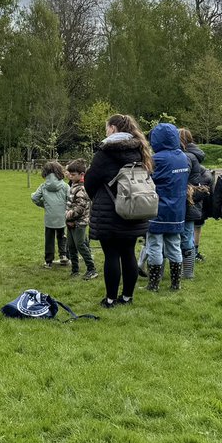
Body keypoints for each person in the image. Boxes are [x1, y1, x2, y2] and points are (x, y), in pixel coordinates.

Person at [85, 113, 153, 308]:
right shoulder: (140, 150)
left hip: (110, 210)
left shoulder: (105, 152)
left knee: (112, 255)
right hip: (135, 208)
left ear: (113, 128)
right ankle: (127, 297)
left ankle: (110, 299)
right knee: (128, 253)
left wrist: (98, 197)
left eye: (107, 127)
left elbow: (90, 182)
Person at [142, 122, 190, 291]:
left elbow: (146, 180)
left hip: (157, 208)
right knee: (174, 245)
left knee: (154, 245)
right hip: (177, 210)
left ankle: (153, 284)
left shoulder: (156, 159)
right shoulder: (183, 157)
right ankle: (176, 284)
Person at [179, 128, 209, 280]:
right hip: (193, 202)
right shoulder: (196, 156)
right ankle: (187, 272)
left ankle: (186, 271)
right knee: (188, 236)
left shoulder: (186, 157)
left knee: (182, 238)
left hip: (186, 201)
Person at [32, 160, 70, 268]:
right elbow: (70, 199)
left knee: (49, 239)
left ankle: (48, 261)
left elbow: (34, 198)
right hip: (62, 216)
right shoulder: (65, 186)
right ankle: (63, 256)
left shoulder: (43, 186)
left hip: (49, 217)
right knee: (62, 236)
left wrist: (44, 204)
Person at [65, 159, 97, 279]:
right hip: (71, 221)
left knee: (80, 245)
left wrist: (68, 215)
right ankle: (75, 270)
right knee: (71, 246)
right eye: (70, 174)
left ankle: (91, 269)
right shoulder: (73, 186)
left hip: (80, 222)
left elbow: (80, 208)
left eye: (73, 175)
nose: (71, 177)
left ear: (82, 174)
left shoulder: (81, 189)